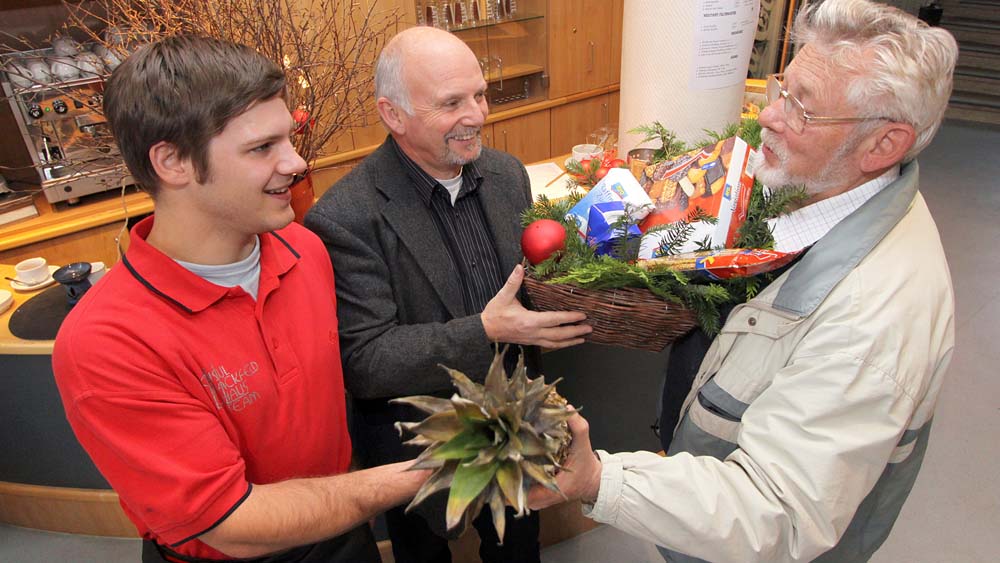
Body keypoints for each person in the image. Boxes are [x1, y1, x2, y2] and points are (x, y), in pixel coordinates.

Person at [528, 1, 958, 562]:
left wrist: (598, 481)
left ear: (884, 145)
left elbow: (775, 512)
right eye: (785, 88)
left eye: (804, 108)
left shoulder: (872, 319)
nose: (771, 116)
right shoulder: (817, 185)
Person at [51, 35, 429, 563]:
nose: (297, 163)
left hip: (344, 528)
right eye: (261, 148)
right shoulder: (107, 342)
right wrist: (430, 471)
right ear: (173, 162)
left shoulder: (305, 249)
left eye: (289, 140)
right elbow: (231, 522)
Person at [305, 26, 591, 563]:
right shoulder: (345, 217)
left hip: (518, 424)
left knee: (518, 550)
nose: (478, 115)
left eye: (480, 94)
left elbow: (525, 286)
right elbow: (365, 361)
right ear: (393, 114)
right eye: (451, 102)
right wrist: (485, 330)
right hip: (420, 444)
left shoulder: (507, 175)